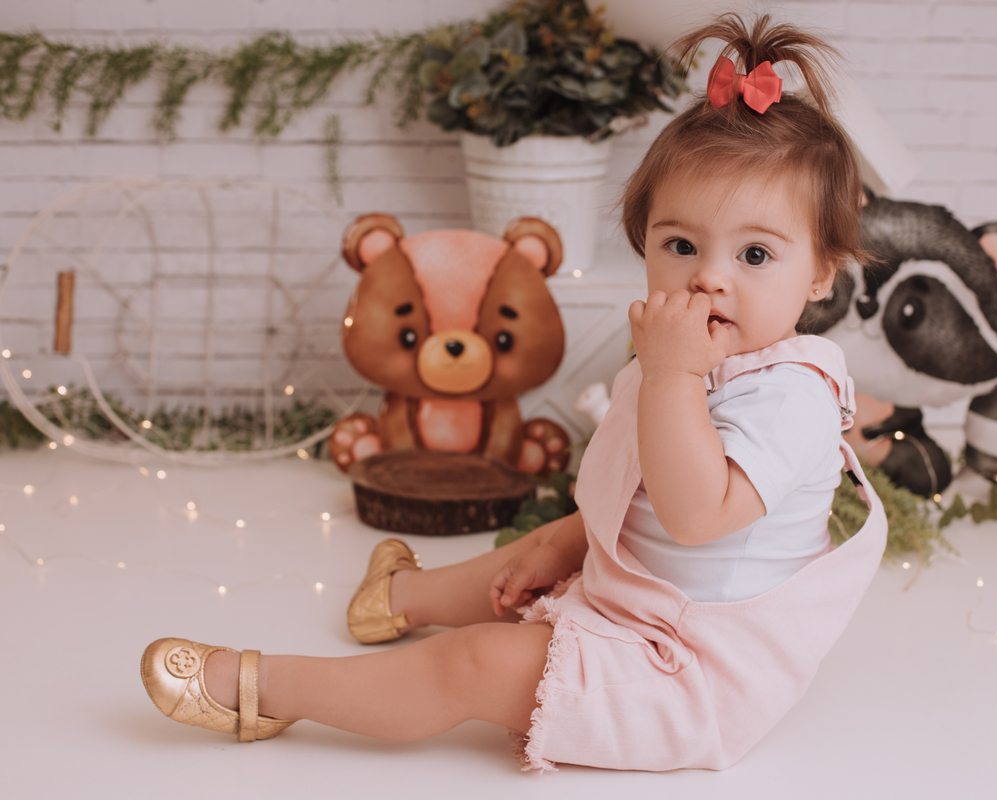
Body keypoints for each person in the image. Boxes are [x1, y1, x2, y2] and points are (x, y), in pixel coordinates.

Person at [139, 14, 888, 772]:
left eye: (755, 254)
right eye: (681, 245)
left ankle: (271, 689)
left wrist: (671, 376)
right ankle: (400, 596)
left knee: (473, 664)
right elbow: (633, 498)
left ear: (821, 273)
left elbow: (694, 517)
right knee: (537, 552)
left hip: (690, 669)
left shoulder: (791, 395)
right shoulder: (687, 358)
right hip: (638, 598)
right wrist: (568, 542)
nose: (709, 277)